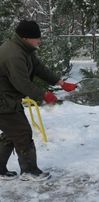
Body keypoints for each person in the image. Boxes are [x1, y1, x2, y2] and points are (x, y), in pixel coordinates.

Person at [0, 20, 77, 181]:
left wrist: (61, 83)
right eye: (37, 38)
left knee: (11, 134)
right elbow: (22, 83)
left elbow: (39, 68)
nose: (39, 40)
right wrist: (44, 95)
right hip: (3, 101)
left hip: (8, 99)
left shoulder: (24, 49)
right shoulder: (14, 55)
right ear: (26, 37)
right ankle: (29, 171)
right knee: (22, 133)